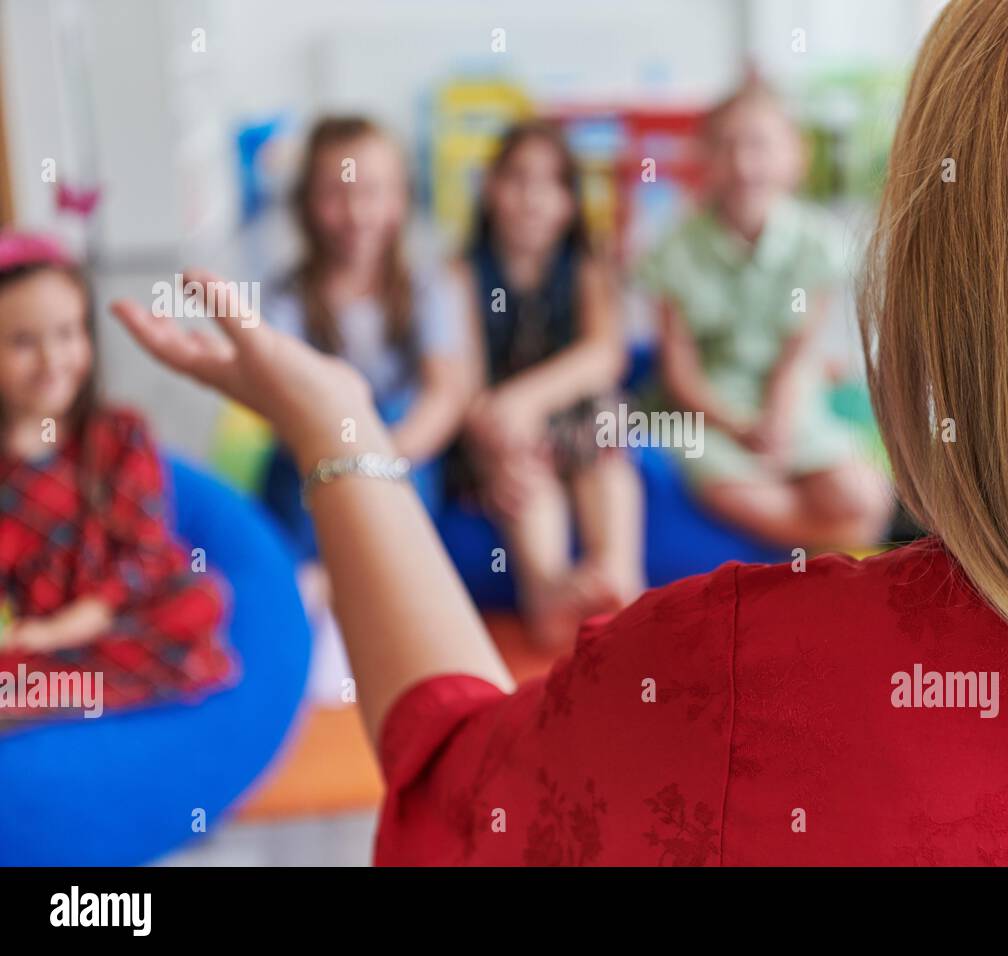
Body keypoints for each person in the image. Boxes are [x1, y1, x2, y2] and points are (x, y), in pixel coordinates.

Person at [113, 0, 1008, 864]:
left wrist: (352, 426)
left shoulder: (738, 676)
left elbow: (457, 790)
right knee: (586, 459)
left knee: (604, 459)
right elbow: (605, 364)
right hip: (586, 436)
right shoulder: (439, 266)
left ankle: (590, 570)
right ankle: (568, 571)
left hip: (583, 441)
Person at [638, 78, 893, 549]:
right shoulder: (672, 249)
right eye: (725, 147)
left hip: (791, 402)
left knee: (864, 496)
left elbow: (796, 354)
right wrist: (739, 428)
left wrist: (776, 421)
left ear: (793, 155)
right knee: (737, 490)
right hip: (708, 415)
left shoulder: (817, 241)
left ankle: (822, 533)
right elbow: (680, 373)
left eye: (758, 145)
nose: (742, 164)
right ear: (704, 160)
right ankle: (826, 543)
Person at [0, 233, 232, 717]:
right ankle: (56, 695)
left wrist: (75, 623)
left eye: (67, 333)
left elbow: (146, 551)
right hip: (26, 635)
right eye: (23, 342)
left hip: (112, 615)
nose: (51, 361)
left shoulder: (120, 434)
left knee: (199, 601)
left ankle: (48, 699)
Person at [260, 116, 475, 608]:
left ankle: (370, 581)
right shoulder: (284, 297)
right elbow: (283, 399)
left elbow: (444, 393)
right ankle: (318, 583)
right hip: (312, 452)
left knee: (398, 418)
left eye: (373, 192)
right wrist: (341, 460)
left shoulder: (429, 286)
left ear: (400, 198)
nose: (356, 213)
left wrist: (382, 460)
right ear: (306, 205)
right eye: (335, 194)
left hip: (401, 454)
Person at [454, 121, 644, 646]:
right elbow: (461, 387)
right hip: (499, 437)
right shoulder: (462, 273)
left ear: (569, 202)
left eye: (551, 183)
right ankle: (547, 592)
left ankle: (619, 576)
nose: (532, 198)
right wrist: (500, 429)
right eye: (517, 179)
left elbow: (605, 355)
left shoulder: (584, 264)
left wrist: (526, 399)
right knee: (523, 475)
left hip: (570, 425)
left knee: (606, 432)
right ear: (490, 188)